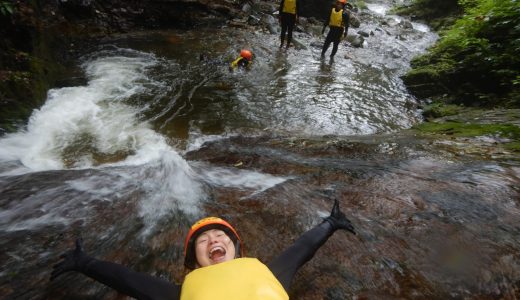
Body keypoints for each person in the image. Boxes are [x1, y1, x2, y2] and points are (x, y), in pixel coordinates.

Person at [50, 199, 356, 299]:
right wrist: (84, 263)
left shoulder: (271, 274)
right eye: (203, 239)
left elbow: (301, 248)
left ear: (237, 250)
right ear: (194, 263)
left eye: (221, 236)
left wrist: (331, 223)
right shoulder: (182, 293)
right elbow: (127, 280)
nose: (213, 241)